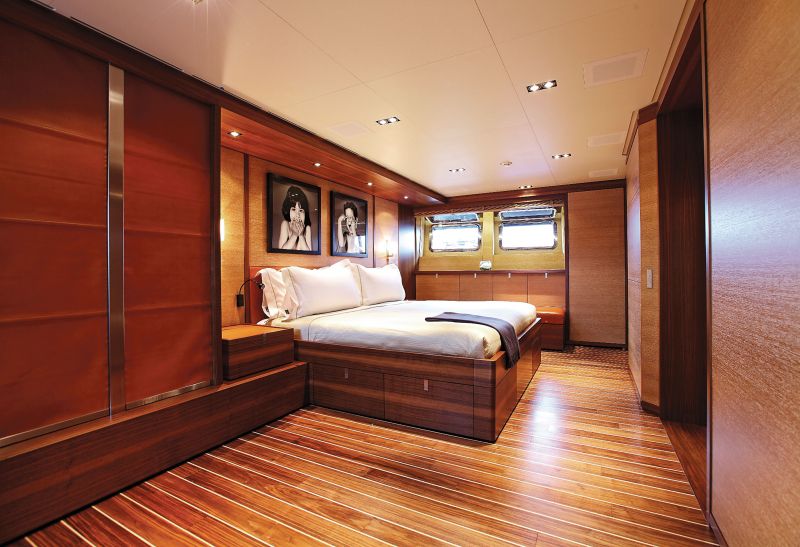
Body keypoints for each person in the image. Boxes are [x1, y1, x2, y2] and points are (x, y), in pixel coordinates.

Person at [278, 185, 312, 251]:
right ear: (288, 211)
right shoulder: (285, 224)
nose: (297, 214)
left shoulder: (307, 228)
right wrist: (294, 235)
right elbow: (281, 252)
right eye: (293, 209)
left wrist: (301, 235)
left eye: (301, 210)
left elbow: (309, 253)